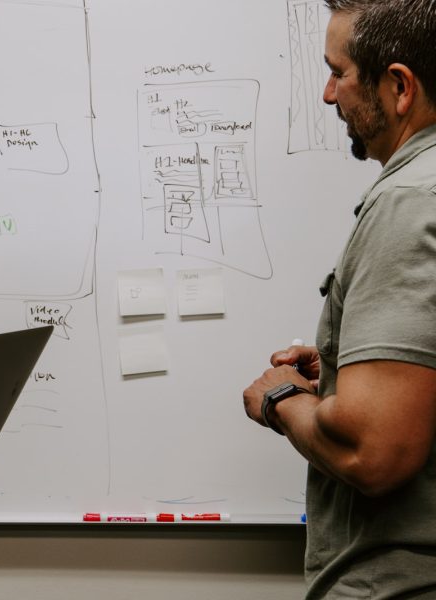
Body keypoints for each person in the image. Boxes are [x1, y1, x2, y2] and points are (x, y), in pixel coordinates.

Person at [243, 0, 436, 597]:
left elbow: (374, 452)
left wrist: (279, 399)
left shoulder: (409, 202)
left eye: (340, 71)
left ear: (399, 87)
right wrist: (348, 373)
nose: (329, 95)